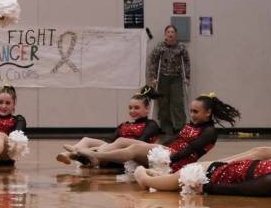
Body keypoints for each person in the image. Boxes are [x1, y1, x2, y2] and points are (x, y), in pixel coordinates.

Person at [74, 93, 240, 171]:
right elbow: (175, 138)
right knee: (123, 141)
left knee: (133, 149)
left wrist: (163, 155)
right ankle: (89, 154)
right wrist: (154, 146)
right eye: (191, 111)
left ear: (208, 113)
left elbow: (189, 150)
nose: (192, 115)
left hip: (174, 161)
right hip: (167, 151)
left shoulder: (210, 131)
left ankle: (96, 155)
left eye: (196, 112)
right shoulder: (192, 124)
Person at [57, 87, 161, 166]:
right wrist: (98, 147)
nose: (132, 111)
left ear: (147, 109)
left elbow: (140, 143)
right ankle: (74, 153)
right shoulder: (124, 125)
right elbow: (109, 141)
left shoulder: (151, 124)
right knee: (87, 140)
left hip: (131, 156)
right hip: (114, 150)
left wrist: (99, 148)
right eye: (130, 108)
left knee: (119, 141)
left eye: (136, 108)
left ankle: (81, 155)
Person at [134, 157, 271, 198]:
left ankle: (144, 176)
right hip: (226, 168)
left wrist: (207, 188)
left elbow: (241, 190)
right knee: (168, 178)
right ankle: (156, 176)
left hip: (212, 175)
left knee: (151, 182)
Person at [146, 25, 190, 135]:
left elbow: (186, 62)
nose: (170, 34)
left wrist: (187, 77)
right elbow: (153, 61)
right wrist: (153, 77)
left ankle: (180, 127)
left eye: (172, 32)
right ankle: (165, 127)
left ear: (175, 34)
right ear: (165, 34)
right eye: (168, 32)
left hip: (177, 78)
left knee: (177, 103)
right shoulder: (160, 47)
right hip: (163, 78)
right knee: (163, 103)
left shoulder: (181, 47)